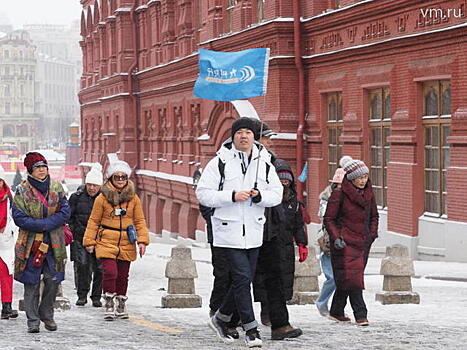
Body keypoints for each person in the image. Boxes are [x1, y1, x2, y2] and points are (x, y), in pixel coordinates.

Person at [196, 117, 283, 348]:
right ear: (233, 136)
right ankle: (251, 329)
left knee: (242, 281)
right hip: (227, 231)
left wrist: (260, 196)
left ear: (254, 136)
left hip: (254, 231)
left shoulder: (264, 163)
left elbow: (277, 193)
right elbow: (203, 193)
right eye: (239, 132)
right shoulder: (220, 162)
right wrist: (231, 196)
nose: (243, 136)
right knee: (243, 279)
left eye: (248, 132)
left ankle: (222, 319)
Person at [83, 160, 149, 321]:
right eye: (117, 177)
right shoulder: (102, 199)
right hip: (106, 239)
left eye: (123, 177)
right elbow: (93, 221)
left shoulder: (134, 199)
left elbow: (139, 221)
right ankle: (109, 301)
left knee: (123, 275)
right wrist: (89, 241)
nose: (120, 180)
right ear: (111, 178)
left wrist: (142, 241)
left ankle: (121, 302)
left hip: (126, 240)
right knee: (110, 272)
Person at [12, 152, 70, 333]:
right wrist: (42, 225)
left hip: (54, 243)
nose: (42, 170)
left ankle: (47, 313)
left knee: (53, 280)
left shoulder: (56, 187)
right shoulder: (22, 191)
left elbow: (65, 211)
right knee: (32, 282)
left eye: (44, 166)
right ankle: (33, 320)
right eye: (38, 167)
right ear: (30, 170)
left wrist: (47, 224)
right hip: (30, 244)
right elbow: (19, 217)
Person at [253, 158, 306, 340]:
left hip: (284, 247)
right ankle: (230, 317)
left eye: (287, 179)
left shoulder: (294, 202)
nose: (284, 183)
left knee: (281, 282)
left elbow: (298, 225)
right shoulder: (268, 198)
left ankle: (278, 321)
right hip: (265, 242)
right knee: (256, 281)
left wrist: (302, 243)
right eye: (280, 179)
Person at [323, 156, 379, 326]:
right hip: (345, 242)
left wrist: (372, 234)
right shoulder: (339, 193)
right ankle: (361, 314)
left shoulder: (369, 193)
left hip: (363, 242)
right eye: (359, 178)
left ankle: (336, 311)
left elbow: (374, 216)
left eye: (365, 177)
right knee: (354, 279)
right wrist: (337, 237)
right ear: (351, 178)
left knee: (347, 278)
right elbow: (329, 218)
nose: (363, 181)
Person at [69, 164, 104, 307]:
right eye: (89, 184)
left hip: (100, 239)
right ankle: (82, 295)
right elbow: (69, 217)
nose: (91, 188)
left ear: (100, 186)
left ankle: (96, 296)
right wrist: (74, 230)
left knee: (100, 268)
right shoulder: (76, 197)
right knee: (82, 266)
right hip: (80, 237)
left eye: (95, 185)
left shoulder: (105, 199)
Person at [315, 167, 345, 316]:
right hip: (328, 241)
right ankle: (321, 302)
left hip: (343, 240)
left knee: (341, 278)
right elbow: (324, 219)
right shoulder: (327, 198)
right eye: (338, 185)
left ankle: (334, 307)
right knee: (332, 277)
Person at [0, 165, 19, 319]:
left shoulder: (10, 196)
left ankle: (7, 307)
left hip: (5, 242)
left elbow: (16, 216)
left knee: (7, 275)